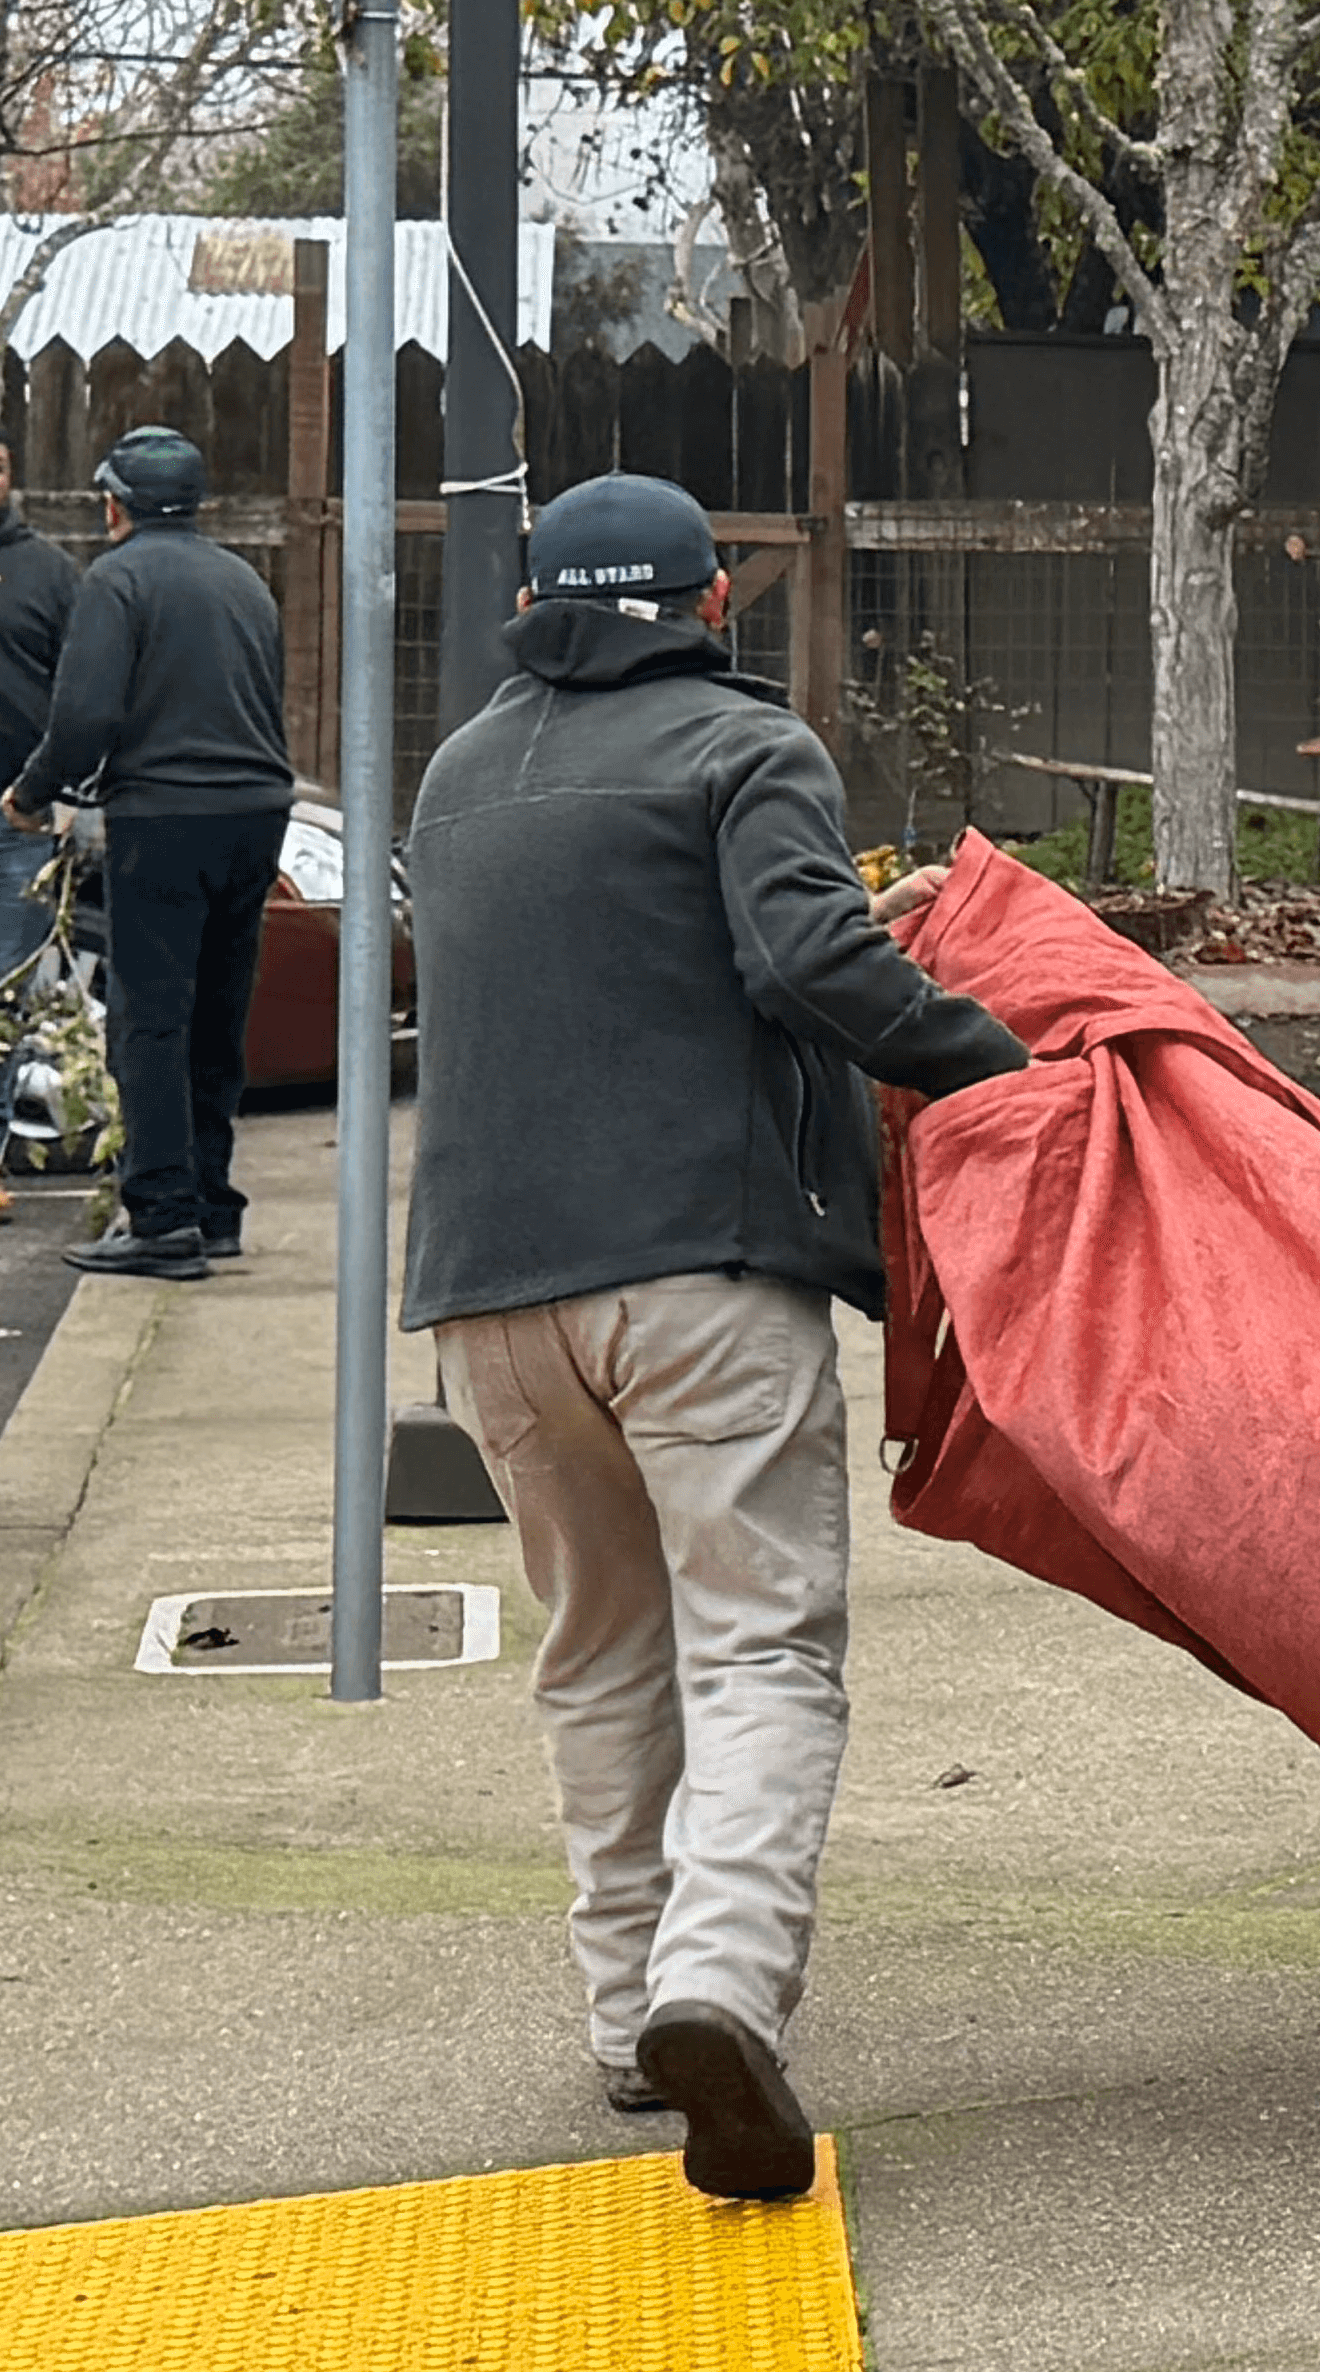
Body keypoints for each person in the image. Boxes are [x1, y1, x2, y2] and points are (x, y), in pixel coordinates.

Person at [402, 472, 1028, 2202]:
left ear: (538, 601)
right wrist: (995, 1065)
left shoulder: (458, 774)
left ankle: (627, 2021)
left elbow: (614, 963)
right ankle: (722, 1982)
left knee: (598, 1648)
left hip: (484, 1297)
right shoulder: (745, 749)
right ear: (714, 605)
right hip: (693, 1278)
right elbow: (806, 959)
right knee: (760, 1649)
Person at [3, 424, 292, 1280]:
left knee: (151, 1020)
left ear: (112, 502)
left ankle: (161, 1219)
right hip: (255, 812)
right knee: (216, 1013)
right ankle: (213, 1205)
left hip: (165, 816)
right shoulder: (244, 581)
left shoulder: (116, 580)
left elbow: (84, 716)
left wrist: (30, 793)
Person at [0, 436, 80, 992]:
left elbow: (85, 695)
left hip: (19, 815)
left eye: (0, 467)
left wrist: (68, 794)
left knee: (12, 988)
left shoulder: (53, 574)